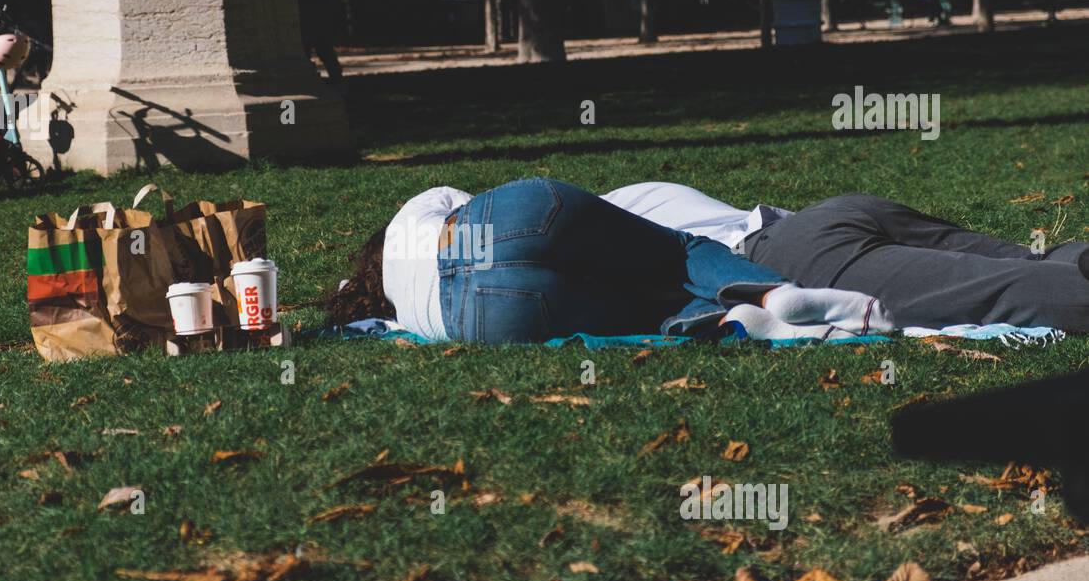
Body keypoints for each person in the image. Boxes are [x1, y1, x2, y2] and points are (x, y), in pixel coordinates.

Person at [328, 178, 891, 343]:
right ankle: (772, 293)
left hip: (481, 314)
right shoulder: (410, 218)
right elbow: (467, 203)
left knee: (649, 311)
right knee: (674, 250)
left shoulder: (410, 313)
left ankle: (736, 321)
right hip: (500, 222)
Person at [577, 181, 1089, 333]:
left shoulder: (598, 245)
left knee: (1003, 289)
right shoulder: (632, 194)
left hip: (794, 256)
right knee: (1038, 260)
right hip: (828, 213)